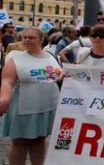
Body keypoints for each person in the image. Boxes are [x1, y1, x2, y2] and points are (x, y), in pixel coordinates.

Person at [0, 27, 63, 165]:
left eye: (32, 37)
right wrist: (4, 98)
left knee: (39, 140)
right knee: (20, 142)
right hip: (24, 107)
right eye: (25, 37)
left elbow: (59, 76)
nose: (27, 40)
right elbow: (7, 81)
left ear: (41, 40)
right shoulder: (15, 57)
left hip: (47, 106)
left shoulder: (51, 56)